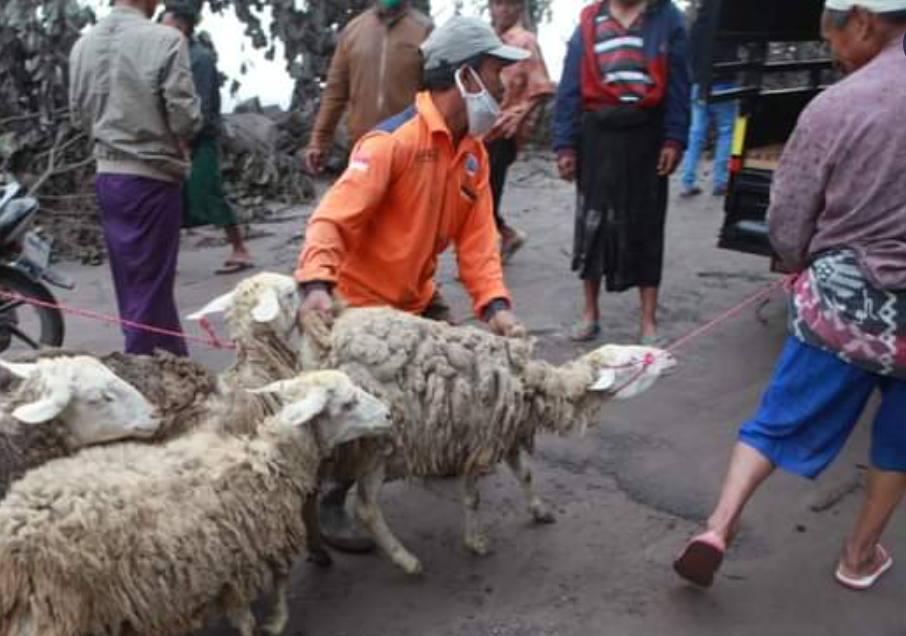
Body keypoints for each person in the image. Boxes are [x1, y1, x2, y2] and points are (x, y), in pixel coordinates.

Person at [673, 0, 906, 591]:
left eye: (830, 36)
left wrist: (796, 259)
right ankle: (858, 556)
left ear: (863, 21)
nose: (830, 50)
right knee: (898, 441)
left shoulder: (837, 105)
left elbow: (789, 213)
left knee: (776, 421)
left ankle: (718, 526)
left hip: (845, 306)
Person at [295, 16, 529, 553]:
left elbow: (477, 245)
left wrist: (496, 307)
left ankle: (437, 449)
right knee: (359, 417)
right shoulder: (391, 143)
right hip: (359, 307)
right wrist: (315, 285)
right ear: (466, 77)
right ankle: (331, 498)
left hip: (414, 298)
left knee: (459, 371)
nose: (503, 84)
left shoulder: (472, 156)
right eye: (496, 72)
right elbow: (332, 218)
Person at [553, 0, 690, 344]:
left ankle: (648, 322)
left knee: (647, 224)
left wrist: (674, 139)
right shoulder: (589, 21)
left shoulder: (667, 17)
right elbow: (569, 88)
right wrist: (565, 145)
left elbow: (679, 85)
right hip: (597, 137)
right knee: (592, 224)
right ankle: (590, 313)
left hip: (647, 135)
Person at [69, 0, 201, 356]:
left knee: (136, 285)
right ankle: (142, 369)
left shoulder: (83, 45)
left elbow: (78, 115)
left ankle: (174, 361)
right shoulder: (166, 40)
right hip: (152, 176)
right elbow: (185, 118)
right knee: (151, 288)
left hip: (109, 176)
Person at [162, 3, 254, 275]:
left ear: (181, 27)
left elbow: (201, 107)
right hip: (175, 138)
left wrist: (186, 140)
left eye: (165, 26)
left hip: (200, 138)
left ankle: (240, 250)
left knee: (209, 192)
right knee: (171, 201)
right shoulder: (170, 58)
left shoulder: (199, 58)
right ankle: (166, 260)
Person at [302, 0, 433, 175]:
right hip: (362, 146)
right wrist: (319, 142)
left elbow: (438, 94)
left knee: (406, 202)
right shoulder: (353, 30)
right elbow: (335, 92)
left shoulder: (425, 31)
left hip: (409, 146)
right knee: (362, 201)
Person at [485, 0, 555, 263]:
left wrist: (519, 118)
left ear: (517, 8)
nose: (502, 10)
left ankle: (486, 255)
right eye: (497, 4)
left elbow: (541, 89)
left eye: (508, 4)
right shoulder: (486, 39)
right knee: (476, 193)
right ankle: (507, 234)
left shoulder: (525, 42)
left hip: (504, 130)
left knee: (486, 193)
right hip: (479, 129)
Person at [680, 4, 741, 198]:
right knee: (727, 132)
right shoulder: (728, 24)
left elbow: (688, 55)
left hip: (699, 86)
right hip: (724, 85)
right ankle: (720, 182)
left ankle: (687, 182)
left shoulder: (697, 25)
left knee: (696, 134)